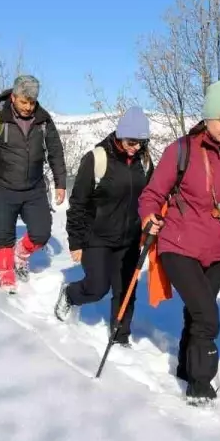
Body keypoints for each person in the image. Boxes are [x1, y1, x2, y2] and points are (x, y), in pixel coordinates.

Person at [137, 81, 220, 404]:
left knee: (197, 314)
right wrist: (148, 216)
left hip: (218, 252)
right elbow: (152, 195)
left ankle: (185, 366)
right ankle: (200, 384)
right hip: (179, 246)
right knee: (208, 316)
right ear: (209, 117)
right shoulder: (181, 150)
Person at [54, 107, 154, 346]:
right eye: (131, 141)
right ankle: (70, 294)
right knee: (97, 287)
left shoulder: (146, 163)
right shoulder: (97, 158)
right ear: (120, 135)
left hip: (129, 239)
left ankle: (120, 338)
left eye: (141, 142)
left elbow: (153, 195)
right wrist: (76, 242)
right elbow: (78, 203)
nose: (135, 147)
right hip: (96, 237)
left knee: (125, 291)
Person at [0, 75, 67, 292]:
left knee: (41, 232)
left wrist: (60, 182)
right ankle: (5, 271)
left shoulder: (43, 120)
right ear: (14, 97)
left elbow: (55, 152)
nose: (28, 107)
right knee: (3, 234)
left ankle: (21, 255)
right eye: (24, 101)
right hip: (3, 186)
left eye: (32, 102)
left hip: (34, 187)